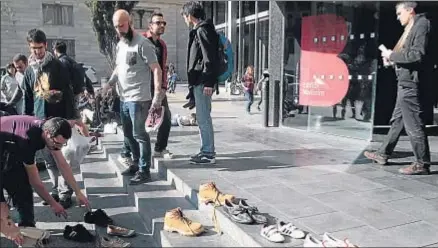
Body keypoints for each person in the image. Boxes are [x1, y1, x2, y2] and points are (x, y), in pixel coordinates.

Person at [364, 1, 432, 175]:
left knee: (414, 124)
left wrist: (391, 54)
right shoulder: (410, 28)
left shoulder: (421, 25)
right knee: (397, 121)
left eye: (400, 13)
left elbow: (417, 55)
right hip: (404, 82)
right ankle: (383, 154)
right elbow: (406, 57)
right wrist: (391, 60)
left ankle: (422, 163)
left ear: (410, 10)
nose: (397, 17)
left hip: (410, 84)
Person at [0, 116, 90, 230]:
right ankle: (13, 229)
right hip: (7, 144)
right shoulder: (29, 140)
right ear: (47, 133)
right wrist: (53, 203)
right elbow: (35, 181)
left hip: (10, 144)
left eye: (63, 144)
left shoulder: (54, 126)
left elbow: (63, 164)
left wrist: (78, 192)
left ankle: (27, 229)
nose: (59, 147)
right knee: (9, 196)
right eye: (57, 144)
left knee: (22, 189)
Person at [106, 9, 164, 184]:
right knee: (128, 135)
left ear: (130, 22)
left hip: (139, 98)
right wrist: (108, 84)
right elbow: (119, 68)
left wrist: (157, 95)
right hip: (124, 98)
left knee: (140, 134)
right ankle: (136, 163)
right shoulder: (120, 44)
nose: (119, 29)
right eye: (116, 27)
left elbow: (156, 69)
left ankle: (145, 170)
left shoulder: (143, 43)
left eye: (122, 25)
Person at [22, 29, 78, 207]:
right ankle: (54, 190)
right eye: (33, 48)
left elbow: (69, 93)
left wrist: (71, 118)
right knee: (48, 160)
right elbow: (28, 96)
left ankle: (65, 193)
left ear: (46, 45)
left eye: (39, 48)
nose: (36, 52)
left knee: (62, 158)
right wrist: (27, 120)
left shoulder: (57, 65)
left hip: (58, 120)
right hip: (40, 120)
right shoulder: (30, 70)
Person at [181, 1, 217, 164]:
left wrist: (209, 82)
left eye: (184, 15)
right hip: (200, 80)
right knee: (202, 117)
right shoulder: (201, 30)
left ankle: (208, 153)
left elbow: (209, 57)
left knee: (203, 118)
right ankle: (205, 150)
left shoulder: (203, 30)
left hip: (203, 81)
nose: (184, 18)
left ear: (189, 15)